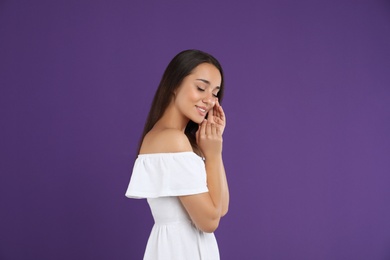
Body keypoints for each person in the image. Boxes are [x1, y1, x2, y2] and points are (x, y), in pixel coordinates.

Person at [125, 49, 229, 260]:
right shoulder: (172, 140)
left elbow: (220, 208)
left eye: (215, 93)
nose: (209, 100)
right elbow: (209, 222)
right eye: (201, 88)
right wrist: (214, 154)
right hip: (180, 251)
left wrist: (214, 150)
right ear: (174, 84)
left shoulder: (177, 140)